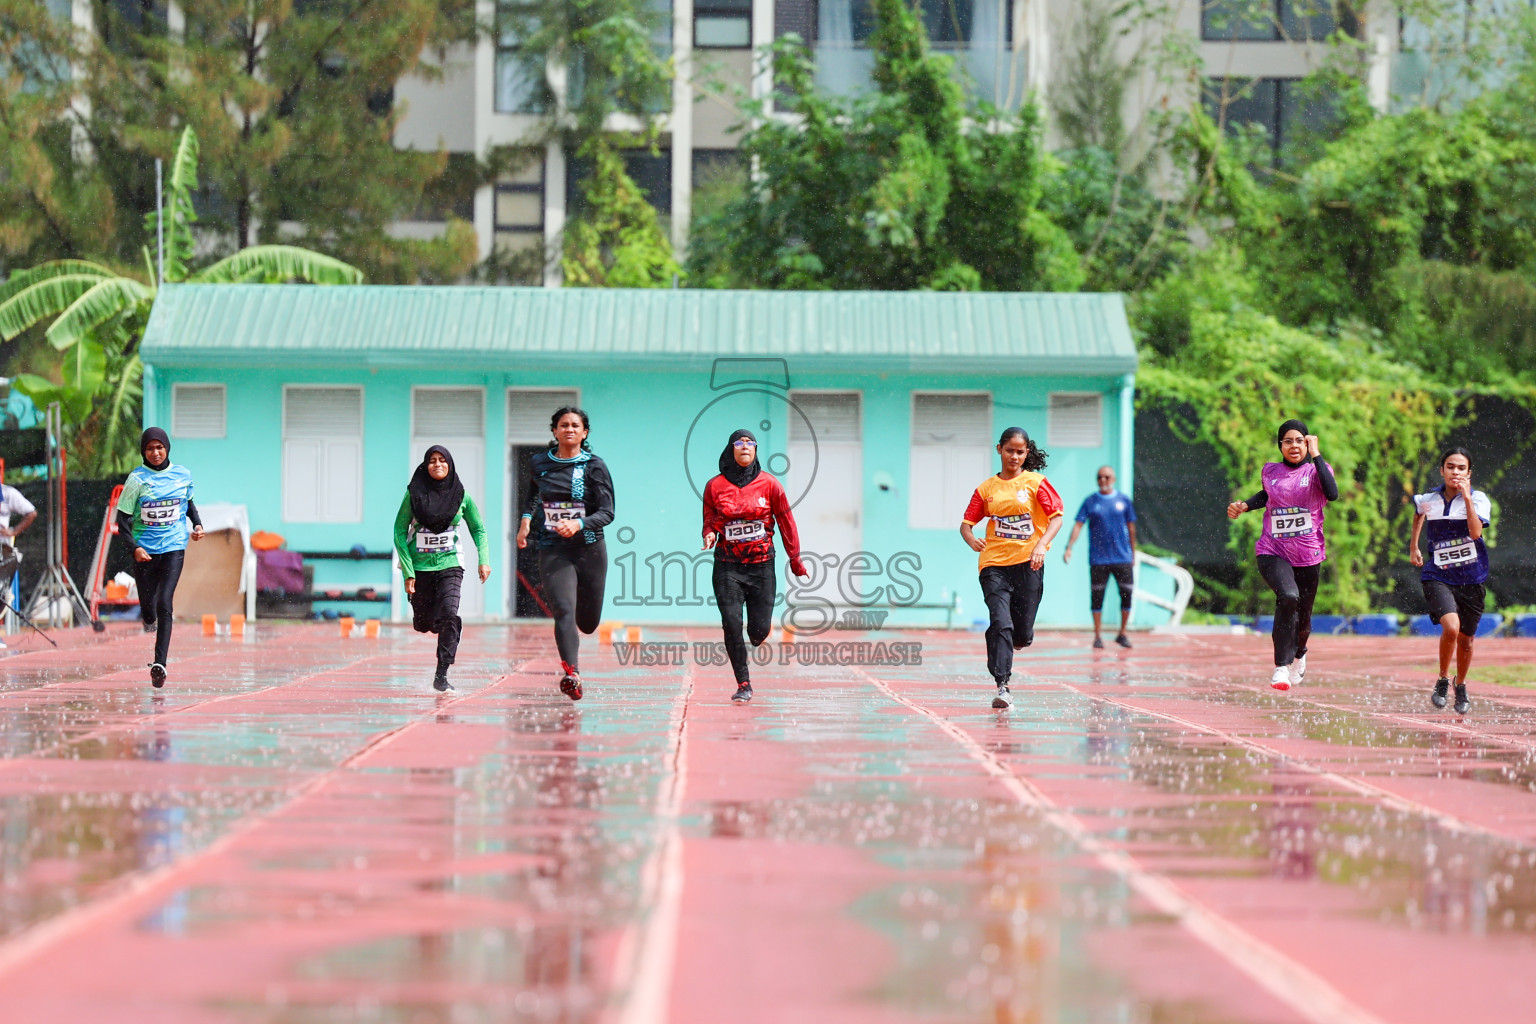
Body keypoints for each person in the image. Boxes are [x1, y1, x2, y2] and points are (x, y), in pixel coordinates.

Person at [1226, 420, 1338, 691]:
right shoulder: (1270, 471)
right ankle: (1280, 667)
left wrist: (1317, 455)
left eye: (1299, 440)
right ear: (1280, 446)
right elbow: (1268, 495)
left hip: (1309, 555)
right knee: (1287, 596)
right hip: (1272, 550)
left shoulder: (1315, 471)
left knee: (1304, 619)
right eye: (1288, 441)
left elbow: (1332, 494)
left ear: (1307, 442)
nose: (1294, 446)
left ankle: (1300, 653)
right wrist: (1245, 505)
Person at [960, 427, 1064, 710]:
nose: (1014, 457)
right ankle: (1002, 685)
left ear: (1026, 453)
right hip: (993, 564)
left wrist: (1041, 544)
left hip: (1029, 563)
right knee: (1000, 621)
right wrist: (971, 540)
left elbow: (1056, 518)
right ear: (999, 450)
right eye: (1009, 451)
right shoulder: (987, 489)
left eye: (1020, 452)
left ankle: (1014, 638)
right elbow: (966, 524)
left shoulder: (1036, 483)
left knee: (1022, 634)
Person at [701, 429, 809, 703]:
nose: (745, 446)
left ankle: (757, 633)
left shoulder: (770, 484)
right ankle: (743, 683)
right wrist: (710, 532)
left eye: (750, 443)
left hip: (762, 567)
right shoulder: (715, 486)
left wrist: (795, 560)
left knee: (759, 632)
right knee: (732, 624)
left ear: (756, 450)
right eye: (740, 442)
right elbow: (710, 518)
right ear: (731, 449)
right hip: (728, 566)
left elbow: (787, 524)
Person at [516, 407, 615, 701]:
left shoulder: (595, 466)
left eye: (575, 425)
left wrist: (579, 523)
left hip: (589, 549)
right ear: (554, 431)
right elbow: (532, 495)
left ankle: (576, 657)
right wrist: (524, 521)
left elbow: (608, 512)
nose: (569, 429)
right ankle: (572, 673)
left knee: (587, 623)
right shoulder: (539, 463)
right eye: (563, 425)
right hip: (553, 549)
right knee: (562, 610)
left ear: (584, 433)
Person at [394, 445, 491, 693]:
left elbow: (478, 529)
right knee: (424, 623)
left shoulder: (462, 496)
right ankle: (433, 621)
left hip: (451, 563)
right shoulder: (414, 495)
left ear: (450, 464)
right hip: (420, 567)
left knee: (449, 614)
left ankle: (442, 673)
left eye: (442, 460)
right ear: (425, 466)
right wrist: (408, 572)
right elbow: (399, 530)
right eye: (432, 461)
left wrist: (484, 559)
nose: (437, 465)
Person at [116, 427, 203, 687]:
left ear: (167, 448)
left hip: (174, 546)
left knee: (165, 602)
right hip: (145, 552)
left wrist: (197, 525)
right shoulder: (136, 480)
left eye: (159, 447)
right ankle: (149, 618)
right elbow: (122, 519)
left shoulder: (182, 475)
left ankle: (160, 664)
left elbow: (189, 506)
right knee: (149, 611)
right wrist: (134, 548)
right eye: (150, 448)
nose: (155, 453)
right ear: (143, 451)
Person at [1410, 447, 1489, 716]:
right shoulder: (1428, 498)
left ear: (1469, 473)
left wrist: (1466, 498)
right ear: (1442, 470)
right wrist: (1414, 546)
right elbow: (1419, 513)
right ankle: (1443, 679)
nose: (1455, 472)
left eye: (1461, 468)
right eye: (1450, 467)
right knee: (1451, 628)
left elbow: (1475, 532)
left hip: (1471, 577)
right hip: (1438, 574)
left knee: (1466, 640)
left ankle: (1461, 684)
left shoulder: (1478, 499)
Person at [1062, 465, 1138, 649]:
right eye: (1100, 477)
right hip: (1099, 559)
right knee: (1097, 596)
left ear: (1114, 479)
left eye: (1107, 477)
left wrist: (1132, 553)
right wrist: (1069, 547)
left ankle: (1123, 633)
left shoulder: (1123, 500)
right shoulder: (1090, 501)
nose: (1103, 480)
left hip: (1122, 558)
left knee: (1126, 594)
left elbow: (1131, 527)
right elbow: (1078, 524)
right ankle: (1097, 635)